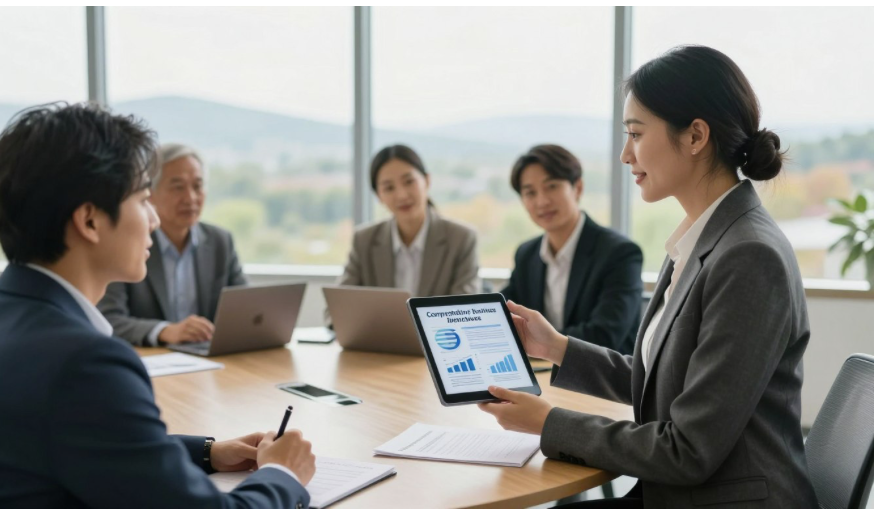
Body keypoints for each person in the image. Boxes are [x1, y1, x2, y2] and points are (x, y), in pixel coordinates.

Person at [478, 46, 819, 508]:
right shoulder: (703, 239)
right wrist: (555, 346)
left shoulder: (749, 256)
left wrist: (548, 421)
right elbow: (662, 381)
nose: (624, 154)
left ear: (696, 136)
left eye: (636, 134)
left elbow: (688, 450)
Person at [0, 103, 315, 508]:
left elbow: (82, 437)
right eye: (143, 198)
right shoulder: (86, 364)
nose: (152, 219)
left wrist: (208, 452)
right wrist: (284, 474)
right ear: (90, 221)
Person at [98, 143, 246, 347]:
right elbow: (108, 320)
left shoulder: (221, 241)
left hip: (209, 362)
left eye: (197, 186)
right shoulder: (128, 243)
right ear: (151, 193)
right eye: (178, 187)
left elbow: (244, 311)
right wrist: (165, 331)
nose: (191, 198)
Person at [501, 145, 642, 354]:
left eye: (552, 186)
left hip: (602, 380)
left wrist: (540, 343)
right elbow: (504, 313)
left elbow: (604, 335)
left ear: (577, 188)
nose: (542, 201)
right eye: (530, 192)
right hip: (545, 375)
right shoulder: (526, 254)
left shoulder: (620, 253)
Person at [333, 144, 479, 304]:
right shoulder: (364, 240)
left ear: (427, 181)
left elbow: (466, 308)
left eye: (409, 182)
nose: (401, 195)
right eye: (389, 188)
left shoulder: (461, 238)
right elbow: (336, 308)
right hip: (380, 330)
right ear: (379, 196)